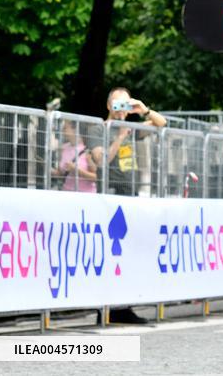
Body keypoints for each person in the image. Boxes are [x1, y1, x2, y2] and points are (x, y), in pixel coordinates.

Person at [90, 86, 166, 325]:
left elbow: (161, 124)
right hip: (110, 194)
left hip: (130, 194)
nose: (122, 110)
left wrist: (144, 110)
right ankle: (107, 308)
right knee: (111, 252)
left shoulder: (133, 127)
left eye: (125, 105)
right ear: (108, 106)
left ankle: (123, 307)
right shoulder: (98, 128)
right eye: (117, 105)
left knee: (129, 252)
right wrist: (120, 135)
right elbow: (101, 159)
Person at [53, 120, 97, 193]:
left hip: (85, 196)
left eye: (65, 128)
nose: (63, 130)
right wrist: (50, 171)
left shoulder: (88, 150)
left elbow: (96, 178)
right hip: (67, 193)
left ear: (75, 130)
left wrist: (76, 170)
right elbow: (61, 173)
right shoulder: (64, 148)